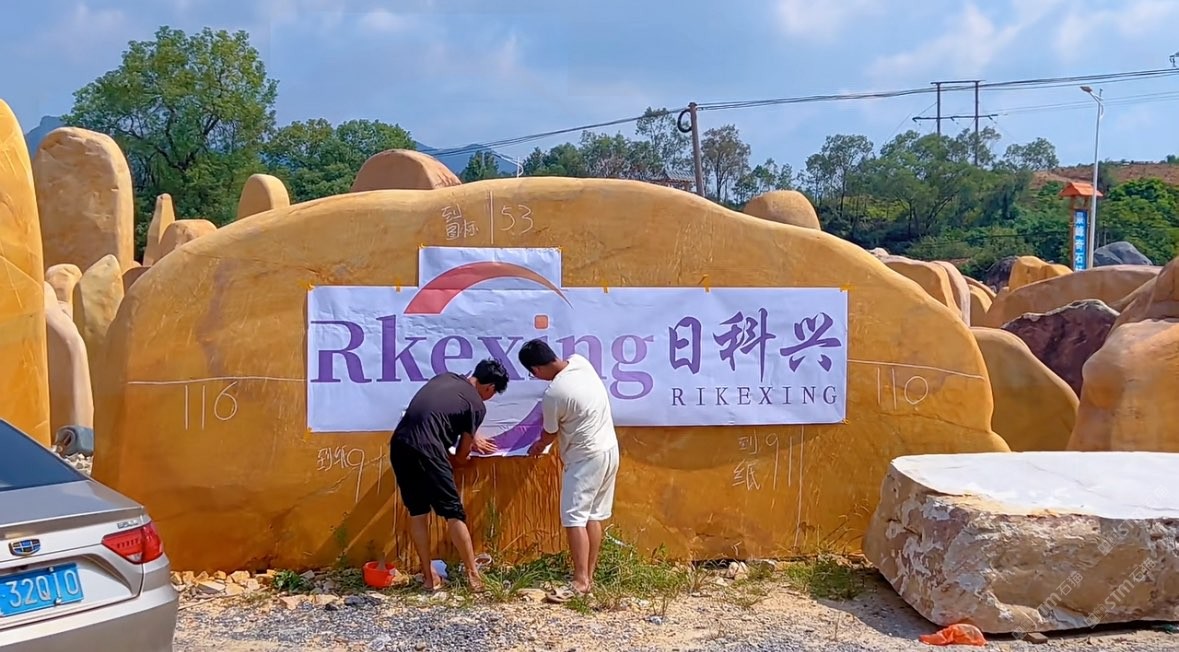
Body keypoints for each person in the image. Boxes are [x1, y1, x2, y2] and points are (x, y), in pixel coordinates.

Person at [389, 358, 510, 592]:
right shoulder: (477, 405)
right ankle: (473, 578)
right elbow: (462, 454)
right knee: (454, 513)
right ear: (490, 388)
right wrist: (460, 461)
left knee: (418, 511)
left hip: (400, 444)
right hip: (429, 449)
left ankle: (429, 578)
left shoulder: (444, 378)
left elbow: (438, 412)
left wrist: (472, 435)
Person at [517, 339, 620, 595]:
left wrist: (538, 446)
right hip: (609, 450)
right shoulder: (581, 363)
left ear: (535, 370)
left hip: (585, 458)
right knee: (592, 516)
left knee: (574, 518)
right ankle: (588, 577)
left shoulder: (554, 393)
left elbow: (550, 432)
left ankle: (580, 581)